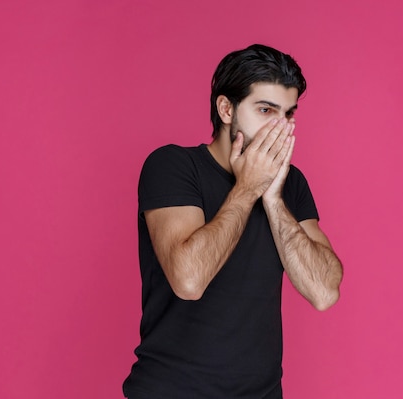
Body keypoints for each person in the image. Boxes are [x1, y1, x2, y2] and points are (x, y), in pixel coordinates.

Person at [123, 44, 343, 399]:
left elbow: (323, 292)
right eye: (265, 110)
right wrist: (247, 189)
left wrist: (272, 199)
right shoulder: (173, 166)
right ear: (226, 109)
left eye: (288, 114)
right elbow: (189, 280)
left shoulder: (291, 183)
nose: (280, 127)